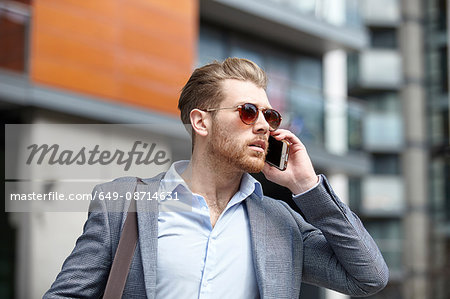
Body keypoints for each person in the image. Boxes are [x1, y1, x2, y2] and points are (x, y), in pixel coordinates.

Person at [44, 58, 389, 298]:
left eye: (269, 115)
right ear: (201, 122)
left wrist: (306, 186)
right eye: (247, 111)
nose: (264, 126)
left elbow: (368, 277)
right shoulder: (123, 203)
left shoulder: (280, 223)